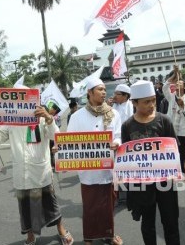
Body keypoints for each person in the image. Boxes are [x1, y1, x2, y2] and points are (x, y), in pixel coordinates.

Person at [0, 89, 74, 245]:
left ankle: (61, 229)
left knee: (51, 204)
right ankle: (30, 235)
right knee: (25, 208)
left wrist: (49, 118)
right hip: (21, 174)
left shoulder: (41, 118)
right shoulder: (10, 120)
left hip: (40, 172)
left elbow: (54, 136)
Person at [121, 80, 180, 245]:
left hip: (166, 183)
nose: (152, 105)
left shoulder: (164, 121)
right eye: (147, 101)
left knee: (170, 222)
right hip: (142, 186)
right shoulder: (127, 126)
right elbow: (127, 158)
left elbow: (175, 150)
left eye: (153, 100)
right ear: (134, 103)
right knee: (148, 225)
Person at [66, 78, 123, 245]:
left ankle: (109, 235)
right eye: (100, 89)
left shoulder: (114, 114)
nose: (104, 92)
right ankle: (89, 238)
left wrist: (116, 144)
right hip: (88, 172)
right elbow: (69, 141)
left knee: (108, 205)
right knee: (90, 207)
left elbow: (118, 136)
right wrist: (60, 152)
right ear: (89, 93)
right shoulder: (77, 117)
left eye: (105, 89)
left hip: (109, 169)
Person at [162, 66, 185, 172]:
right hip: (172, 130)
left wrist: (182, 106)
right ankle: (175, 171)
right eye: (176, 83)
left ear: (184, 87)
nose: (177, 84)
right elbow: (164, 87)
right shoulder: (171, 97)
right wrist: (174, 74)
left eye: (180, 83)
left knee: (183, 152)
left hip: (183, 131)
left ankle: (183, 171)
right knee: (172, 151)